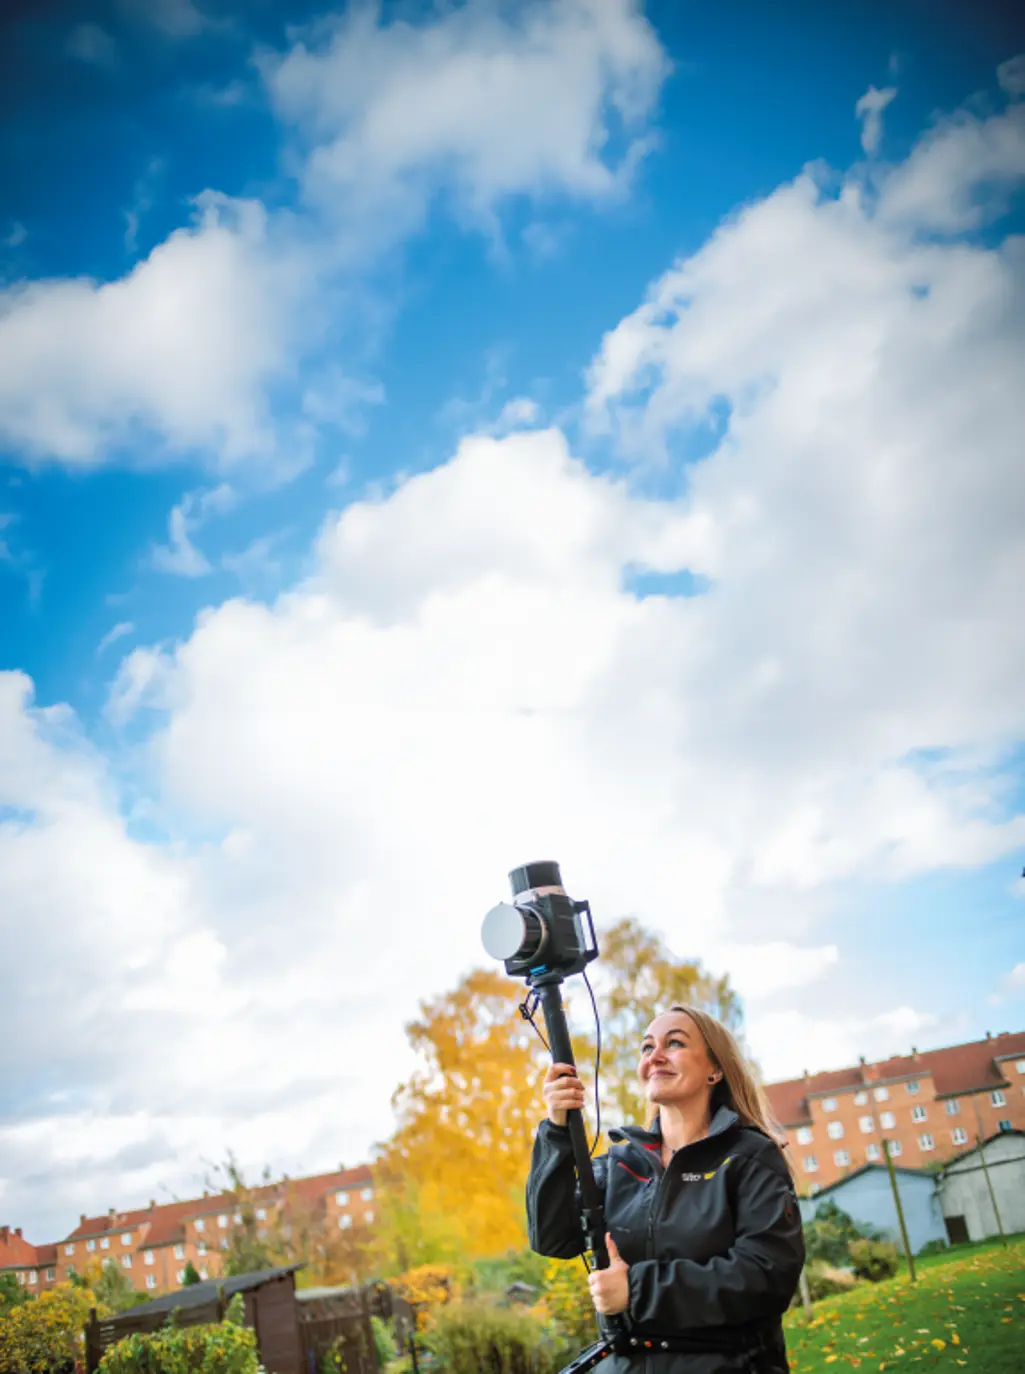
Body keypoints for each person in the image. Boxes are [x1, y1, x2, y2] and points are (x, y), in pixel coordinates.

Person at [526, 1005, 804, 1373]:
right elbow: (551, 1237)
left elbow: (767, 1275)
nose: (654, 1057)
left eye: (673, 1043)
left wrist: (636, 1291)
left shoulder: (749, 1158)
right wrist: (557, 1130)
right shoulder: (621, 1164)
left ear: (715, 1069)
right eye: (646, 1048)